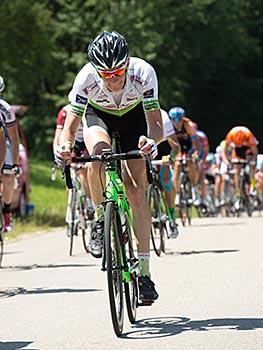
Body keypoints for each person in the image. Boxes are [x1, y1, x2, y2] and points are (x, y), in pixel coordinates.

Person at [58, 31, 163, 301]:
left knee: (137, 189)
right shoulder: (86, 79)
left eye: (118, 71)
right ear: (96, 71)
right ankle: (99, 218)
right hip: (99, 116)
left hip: (134, 119)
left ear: (127, 63)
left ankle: (144, 272)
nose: (114, 79)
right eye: (106, 74)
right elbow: (70, 127)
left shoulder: (144, 73)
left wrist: (151, 141)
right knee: (98, 156)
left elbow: (156, 124)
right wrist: (66, 147)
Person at [168, 107, 200, 206]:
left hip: (189, 144)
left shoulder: (189, 125)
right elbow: (171, 144)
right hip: (177, 145)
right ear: (171, 120)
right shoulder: (168, 126)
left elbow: (195, 143)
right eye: (174, 120)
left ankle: (194, 189)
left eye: (179, 120)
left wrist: (194, 154)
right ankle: (177, 194)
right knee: (177, 165)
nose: (177, 123)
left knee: (190, 163)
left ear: (183, 118)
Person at [156, 109, 180, 238]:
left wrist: (170, 158)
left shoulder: (163, 117)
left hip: (163, 149)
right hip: (141, 148)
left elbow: (176, 146)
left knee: (165, 180)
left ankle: (172, 218)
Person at [0, 75, 19, 232]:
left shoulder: (5, 109)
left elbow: (14, 139)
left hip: (4, 143)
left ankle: (6, 211)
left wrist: (14, 164)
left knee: (7, 176)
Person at [224, 126, 258, 200]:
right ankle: (238, 191)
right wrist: (227, 162)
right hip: (237, 151)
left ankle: (253, 186)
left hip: (248, 149)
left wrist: (254, 161)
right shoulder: (230, 135)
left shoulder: (248, 135)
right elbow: (225, 151)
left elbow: (255, 151)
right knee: (237, 169)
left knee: (251, 165)